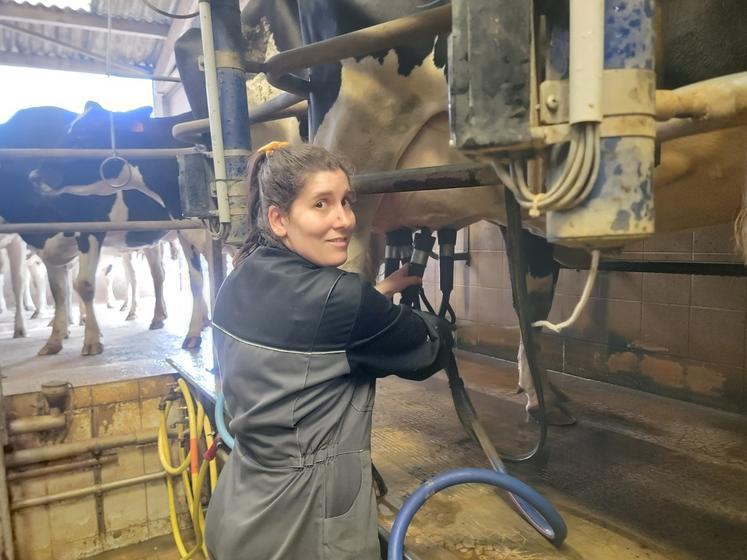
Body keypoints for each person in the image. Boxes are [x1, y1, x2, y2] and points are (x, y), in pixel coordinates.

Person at [204, 142, 454, 560]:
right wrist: (420, 320)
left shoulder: (239, 277)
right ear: (279, 219)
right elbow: (428, 350)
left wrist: (377, 296)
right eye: (321, 204)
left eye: (346, 202)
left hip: (238, 513)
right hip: (301, 532)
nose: (344, 220)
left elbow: (309, 330)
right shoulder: (342, 300)